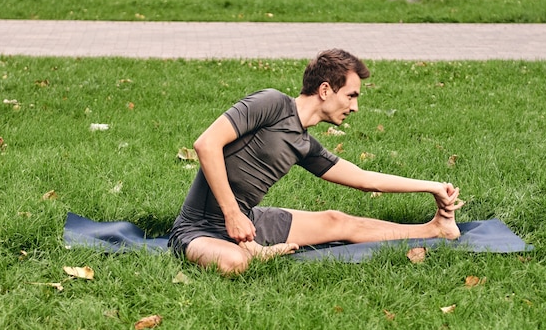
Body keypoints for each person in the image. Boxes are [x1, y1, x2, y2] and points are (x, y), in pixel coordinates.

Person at [168, 49, 464, 274]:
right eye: (351, 96)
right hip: (199, 228)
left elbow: (364, 179)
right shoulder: (271, 104)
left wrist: (433, 187)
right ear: (325, 90)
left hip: (250, 223)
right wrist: (232, 215)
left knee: (338, 221)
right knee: (234, 263)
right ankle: (253, 252)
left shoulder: (304, 144)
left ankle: (434, 229)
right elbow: (205, 145)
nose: (355, 107)